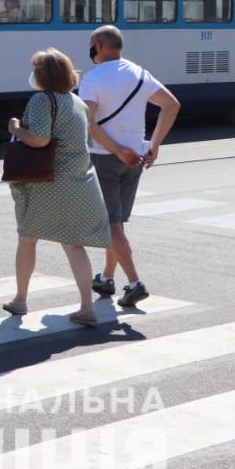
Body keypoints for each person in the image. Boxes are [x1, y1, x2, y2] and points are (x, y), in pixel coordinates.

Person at [3, 48, 111, 327]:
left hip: (47, 182)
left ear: (42, 75)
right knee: (74, 246)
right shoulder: (78, 103)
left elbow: (38, 140)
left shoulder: (42, 99)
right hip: (79, 183)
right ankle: (87, 308)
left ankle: (20, 299)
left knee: (28, 238)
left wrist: (15, 128)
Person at [81, 25, 181, 308]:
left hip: (104, 157)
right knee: (118, 223)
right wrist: (154, 145)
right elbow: (171, 105)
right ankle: (107, 277)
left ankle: (135, 283)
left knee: (112, 224)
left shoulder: (92, 78)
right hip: (135, 159)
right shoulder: (139, 73)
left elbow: (90, 124)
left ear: (99, 47)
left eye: (91, 47)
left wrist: (116, 150)